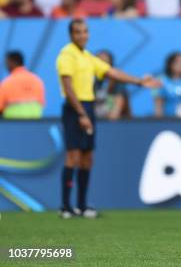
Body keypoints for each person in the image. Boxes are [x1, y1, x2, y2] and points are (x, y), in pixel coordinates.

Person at [56, 19, 159, 218]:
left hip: (88, 106)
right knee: (73, 156)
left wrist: (139, 81)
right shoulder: (66, 55)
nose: (82, 35)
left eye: (85, 31)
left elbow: (112, 72)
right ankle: (65, 206)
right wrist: (81, 114)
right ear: (71, 35)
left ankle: (82, 205)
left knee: (87, 157)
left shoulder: (86, 56)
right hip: (74, 107)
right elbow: (68, 89)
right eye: (78, 32)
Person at [0, 50, 45, 119]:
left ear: (11, 62)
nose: (6, 65)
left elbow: (0, 107)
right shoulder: (37, 80)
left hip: (13, 124)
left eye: (7, 62)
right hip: (35, 123)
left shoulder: (7, 83)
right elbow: (41, 103)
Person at [94, 50, 130, 120]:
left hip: (114, 123)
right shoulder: (93, 81)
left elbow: (116, 111)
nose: (101, 66)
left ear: (111, 64)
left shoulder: (117, 81)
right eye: (99, 63)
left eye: (104, 62)